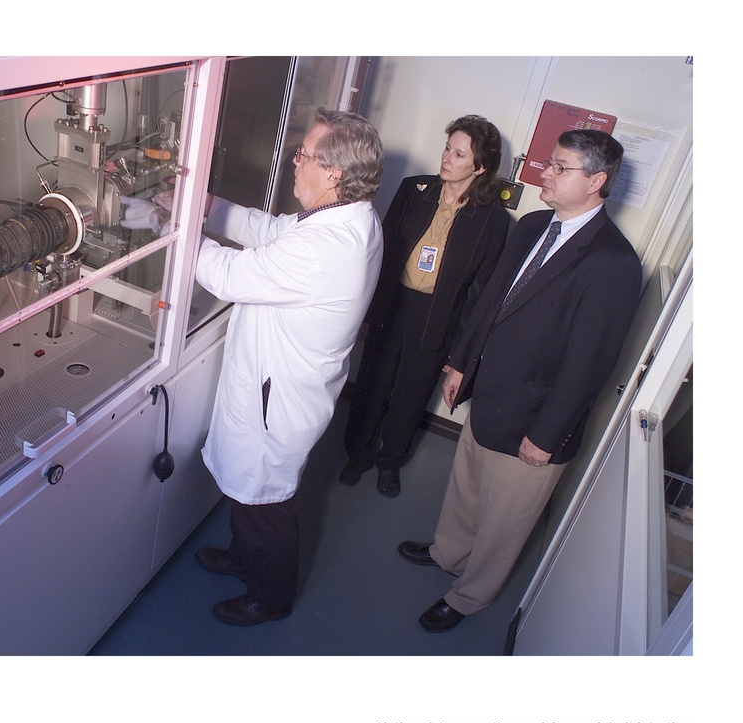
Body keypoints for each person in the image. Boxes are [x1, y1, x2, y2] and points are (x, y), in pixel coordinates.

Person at [398, 129, 642, 632]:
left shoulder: (614, 263)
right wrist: (461, 364)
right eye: (547, 163)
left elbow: (590, 364)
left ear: (596, 180)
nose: (543, 174)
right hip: (488, 393)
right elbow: (491, 303)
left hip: (535, 418)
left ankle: (469, 595)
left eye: (559, 167)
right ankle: (448, 553)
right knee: (465, 487)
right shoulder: (533, 225)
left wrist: (547, 435)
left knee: (505, 520)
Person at [193, 108, 384, 625]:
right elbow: (266, 229)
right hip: (273, 385)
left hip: (276, 402)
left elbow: (231, 274)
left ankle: (269, 597)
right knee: (251, 495)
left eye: (303, 155)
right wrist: (205, 207)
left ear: (333, 174)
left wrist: (176, 232)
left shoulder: (327, 246)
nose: (294, 163)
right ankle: (241, 557)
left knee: (267, 505)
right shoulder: (342, 217)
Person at [340, 115, 509, 497]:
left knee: (411, 394)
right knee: (372, 383)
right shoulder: (413, 190)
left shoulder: (492, 220)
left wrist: (461, 353)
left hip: (438, 316)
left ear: (479, 166)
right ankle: (358, 453)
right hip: (392, 305)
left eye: (459, 153)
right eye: (448, 147)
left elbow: (479, 294)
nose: (447, 157)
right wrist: (366, 312)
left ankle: (390, 462)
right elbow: (378, 255)